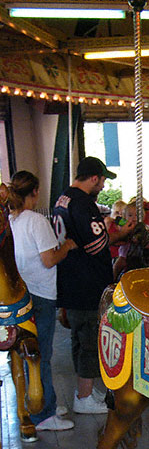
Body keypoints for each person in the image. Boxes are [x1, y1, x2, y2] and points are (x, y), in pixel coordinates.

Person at [8, 171, 77, 431]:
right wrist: (67, 247)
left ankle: (41, 401)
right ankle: (44, 415)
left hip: (22, 292)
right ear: (35, 192)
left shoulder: (12, 220)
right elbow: (49, 259)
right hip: (40, 291)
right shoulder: (36, 221)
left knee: (25, 354)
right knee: (41, 353)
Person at [52, 156, 115, 415]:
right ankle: (85, 396)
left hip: (70, 278)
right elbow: (97, 244)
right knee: (90, 338)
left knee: (79, 338)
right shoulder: (82, 203)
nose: (102, 186)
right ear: (93, 178)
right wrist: (114, 232)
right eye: (101, 180)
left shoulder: (62, 199)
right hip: (88, 280)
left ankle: (84, 389)